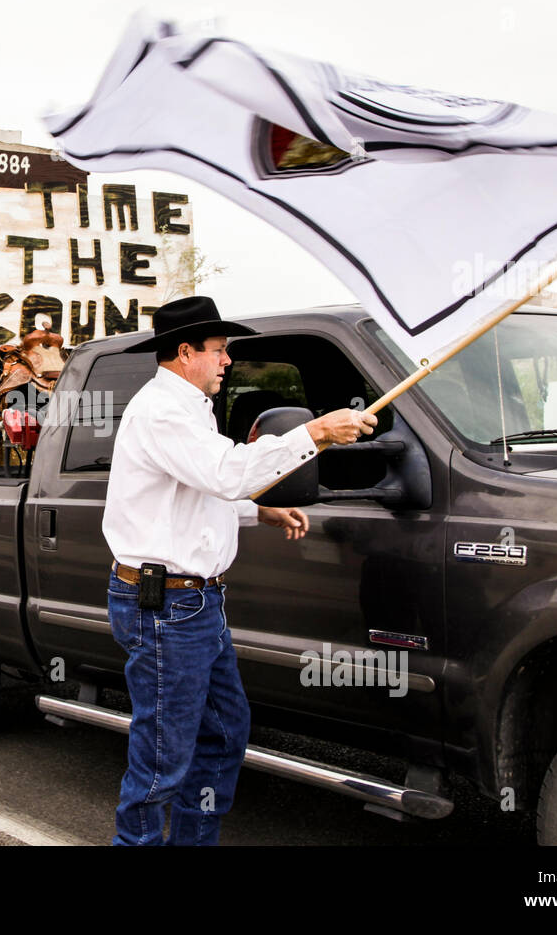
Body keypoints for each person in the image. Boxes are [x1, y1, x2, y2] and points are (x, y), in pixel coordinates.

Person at [102, 295, 377, 846]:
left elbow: (202, 490)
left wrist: (260, 509)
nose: (228, 361)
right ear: (185, 353)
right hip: (168, 609)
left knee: (224, 734)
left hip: (194, 605)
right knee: (162, 761)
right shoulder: (161, 410)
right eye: (220, 350)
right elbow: (225, 472)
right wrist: (316, 433)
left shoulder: (189, 409)